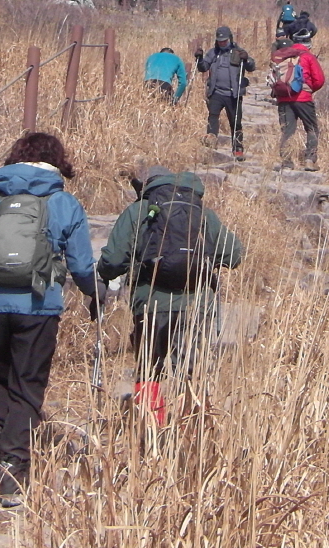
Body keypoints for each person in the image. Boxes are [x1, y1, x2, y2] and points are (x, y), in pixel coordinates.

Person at [0, 131, 96, 506]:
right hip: (38, 305)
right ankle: (13, 470)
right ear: (57, 161)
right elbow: (82, 264)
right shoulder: (64, 203)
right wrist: (93, 294)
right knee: (27, 383)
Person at [96, 166, 245, 422]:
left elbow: (112, 261)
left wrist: (110, 272)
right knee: (193, 372)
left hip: (150, 304)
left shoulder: (138, 211)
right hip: (197, 305)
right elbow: (234, 255)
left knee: (148, 370)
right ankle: (190, 433)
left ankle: (151, 430)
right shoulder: (201, 213)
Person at [269, 36, 326, 169]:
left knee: (287, 131)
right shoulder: (307, 56)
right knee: (311, 128)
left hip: (284, 98)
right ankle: (309, 160)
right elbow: (319, 80)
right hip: (303, 99)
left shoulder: (280, 56)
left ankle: (287, 161)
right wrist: (308, 90)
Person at [196, 26, 254, 158]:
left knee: (236, 121)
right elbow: (203, 67)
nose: (222, 43)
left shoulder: (238, 52)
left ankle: (238, 148)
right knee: (213, 117)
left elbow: (251, 67)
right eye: (220, 41)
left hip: (233, 94)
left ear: (230, 39)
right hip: (216, 92)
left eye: (224, 41)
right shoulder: (213, 53)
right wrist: (199, 59)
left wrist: (247, 59)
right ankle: (211, 144)